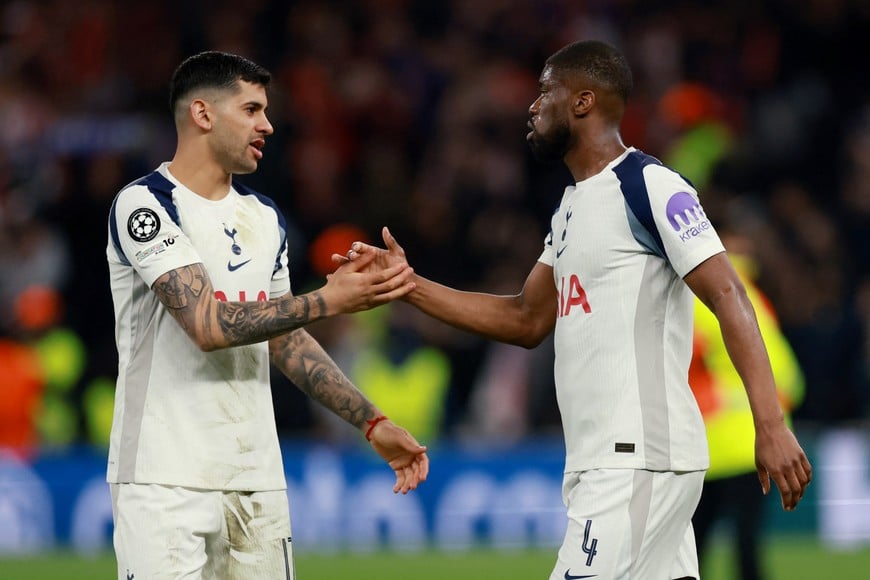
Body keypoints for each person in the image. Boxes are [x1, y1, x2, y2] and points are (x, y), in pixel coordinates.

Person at [338, 40, 811, 579]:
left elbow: (729, 294)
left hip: (636, 455)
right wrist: (409, 285)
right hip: (611, 459)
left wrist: (768, 425)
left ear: (583, 102)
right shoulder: (569, 210)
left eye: (546, 90)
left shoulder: (649, 186)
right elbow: (525, 319)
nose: (533, 105)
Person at [105, 51, 429, 580]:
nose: (267, 125)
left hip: (256, 478)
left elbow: (285, 341)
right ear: (204, 114)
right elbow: (207, 327)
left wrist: (371, 422)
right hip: (165, 478)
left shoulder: (265, 217)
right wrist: (331, 299)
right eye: (252, 109)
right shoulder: (146, 204)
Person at [689, 231, 805, 580]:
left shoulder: (693, 297)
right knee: (746, 545)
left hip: (710, 445)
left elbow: (679, 362)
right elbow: (790, 377)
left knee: (690, 548)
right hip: (762, 444)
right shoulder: (755, 299)